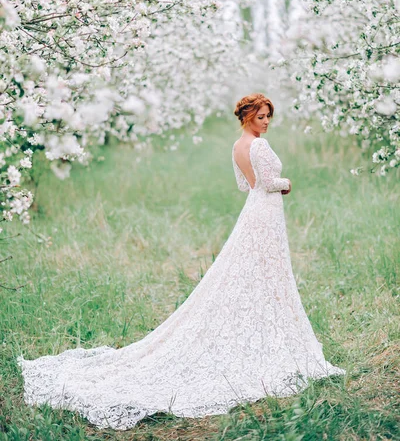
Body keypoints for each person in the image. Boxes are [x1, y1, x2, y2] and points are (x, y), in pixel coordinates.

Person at [17, 92, 345, 430]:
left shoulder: (236, 147)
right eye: (261, 116)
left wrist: (266, 188)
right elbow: (263, 184)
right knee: (266, 267)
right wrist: (286, 183)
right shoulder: (258, 146)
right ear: (248, 116)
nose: (266, 122)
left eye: (268, 117)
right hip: (266, 210)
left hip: (254, 211)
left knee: (259, 268)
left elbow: (243, 186)